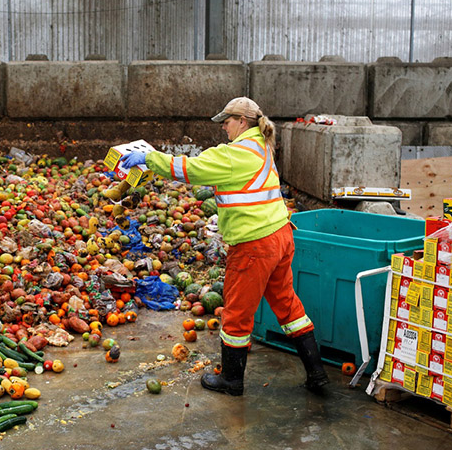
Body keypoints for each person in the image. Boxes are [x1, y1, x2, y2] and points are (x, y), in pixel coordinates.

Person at [120, 96, 329, 396]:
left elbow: (191, 168)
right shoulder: (262, 146)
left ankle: (232, 379)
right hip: (281, 235)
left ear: (242, 122)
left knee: (236, 312)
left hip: (255, 244)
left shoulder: (237, 153)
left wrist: (150, 158)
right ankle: (317, 372)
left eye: (227, 122)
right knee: (287, 305)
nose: (224, 128)